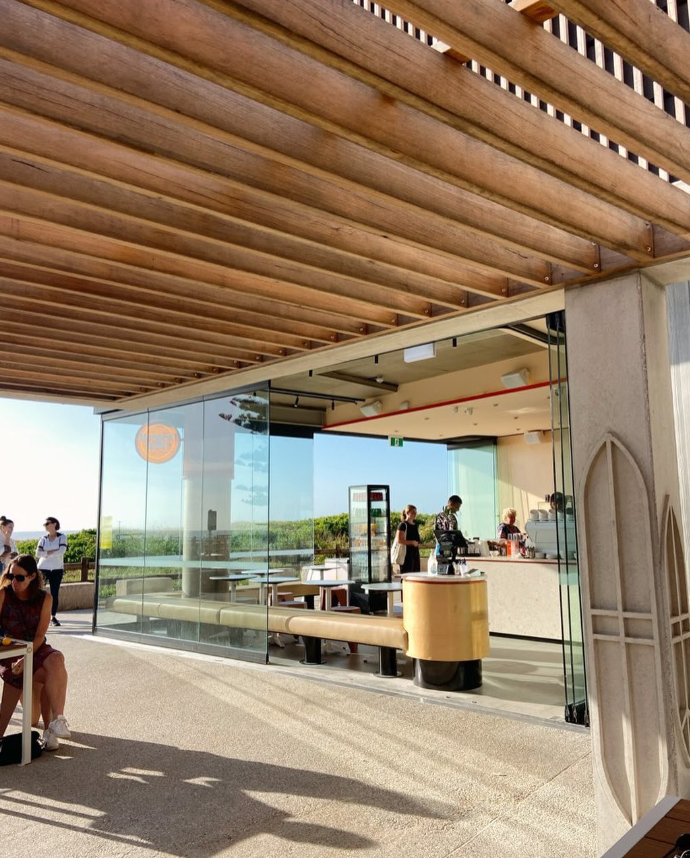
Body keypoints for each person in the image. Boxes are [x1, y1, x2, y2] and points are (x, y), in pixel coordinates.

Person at [0, 555, 71, 750]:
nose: (14, 581)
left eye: (20, 577)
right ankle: (48, 731)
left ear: (32, 576)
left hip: (36, 648)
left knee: (56, 658)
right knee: (47, 679)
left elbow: (40, 635)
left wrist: (27, 656)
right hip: (11, 651)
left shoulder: (45, 599)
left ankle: (56, 722)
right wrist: (18, 656)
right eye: (10, 576)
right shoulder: (3, 594)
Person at [36, 517, 67, 628]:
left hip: (57, 569)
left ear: (54, 524)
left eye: (47, 523)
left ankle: (52, 617)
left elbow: (62, 551)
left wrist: (46, 553)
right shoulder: (43, 539)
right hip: (43, 568)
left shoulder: (62, 537)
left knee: (54, 593)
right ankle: (37, 615)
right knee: (38, 592)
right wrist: (53, 552)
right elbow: (38, 554)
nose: (45, 525)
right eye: (44, 524)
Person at [396, 505, 421, 573]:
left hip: (415, 553)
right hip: (406, 554)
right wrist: (412, 542)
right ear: (407, 513)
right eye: (413, 512)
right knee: (407, 575)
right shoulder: (403, 525)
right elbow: (399, 540)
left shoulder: (415, 525)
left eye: (415, 513)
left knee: (416, 575)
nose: (415, 514)